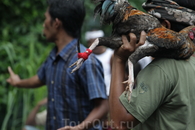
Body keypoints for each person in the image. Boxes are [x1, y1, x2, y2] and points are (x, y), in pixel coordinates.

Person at [6, 0, 108, 130]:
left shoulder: (86, 61)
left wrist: (79, 127)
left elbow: (103, 106)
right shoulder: (53, 56)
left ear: (56, 23)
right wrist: (18, 82)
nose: (43, 24)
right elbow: (39, 78)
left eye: (46, 19)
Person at [109, 0, 195, 130]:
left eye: (147, 23)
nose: (142, 30)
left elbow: (120, 123)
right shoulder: (191, 64)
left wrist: (119, 59)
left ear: (166, 26)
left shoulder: (161, 70)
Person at [85, 30, 114, 96]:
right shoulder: (86, 58)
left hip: (109, 93)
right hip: (92, 94)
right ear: (88, 43)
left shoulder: (111, 55)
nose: (95, 45)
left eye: (97, 43)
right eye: (92, 43)